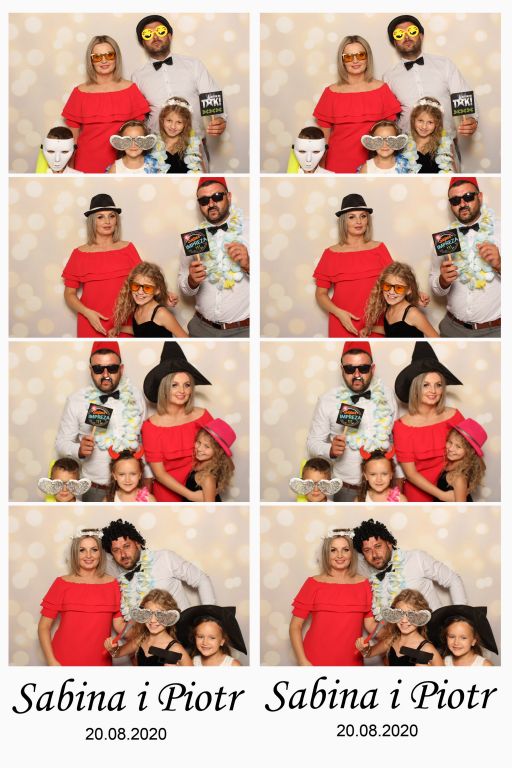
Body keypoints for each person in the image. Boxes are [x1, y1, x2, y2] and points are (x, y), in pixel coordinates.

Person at [55, 341, 148, 502]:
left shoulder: (136, 396)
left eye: (112, 368)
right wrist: (79, 449)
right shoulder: (76, 400)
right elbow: (61, 443)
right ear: (90, 370)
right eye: (98, 369)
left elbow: (144, 440)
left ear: (121, 369)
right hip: (96, 489)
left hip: (133, 488)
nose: (105, 374)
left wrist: (148, 480)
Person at [307, 341, 397, 501]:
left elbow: (395, 439)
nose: (356, 374)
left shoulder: (387, 395)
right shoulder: (327, 400)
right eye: (349, 369)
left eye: (363, 368)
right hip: (347, 489)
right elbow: (312, 442)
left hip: (384, 487)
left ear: (372, 369)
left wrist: (399, 479)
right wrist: (330, 450)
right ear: (342, 369)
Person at [131, 15, 226, 153]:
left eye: (160, 31)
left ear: (169, 36)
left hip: (195, 145)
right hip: (158, 150)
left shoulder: (193, 65)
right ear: (143, 42)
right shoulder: (137, 76)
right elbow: (139, 114)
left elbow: (209, 93)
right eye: (148, 34)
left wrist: (219, 118)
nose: (155, 37)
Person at [382, 15, 478, 145]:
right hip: (408, 147)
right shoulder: (388, 77)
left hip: (446, 143)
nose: (406, 37)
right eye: (399, 35)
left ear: (421, 36)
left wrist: (472, 119)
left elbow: (461, 93)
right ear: (394, 42)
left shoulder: (445, 64)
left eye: (412, 31)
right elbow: (390, 115)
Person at [62, 35, 149, 173]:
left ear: (116, 57)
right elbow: (72, 141)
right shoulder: (79, 93)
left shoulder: (131, 89)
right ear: (91, 61)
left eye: (109, 55)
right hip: (86, 163)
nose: (104, 60)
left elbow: (140, 136)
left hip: (125, 163)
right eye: (97, 57)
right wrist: (70, 171)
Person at [313, 35, 400, 173]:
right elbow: (323, 141)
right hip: (337, 163)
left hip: (376, 164)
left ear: (367, 57)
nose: (355, 61)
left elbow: (392, 135)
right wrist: (321, 171)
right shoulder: (330, 93)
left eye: (360, 55)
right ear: (342, 61)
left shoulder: (382, 90)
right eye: (348, 57)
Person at [353, 518, 467, 620]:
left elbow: (453, 579)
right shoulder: (369, 578)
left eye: (378, 546)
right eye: (367, 550)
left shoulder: (416, 558)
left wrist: (460, 619)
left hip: (433, 631)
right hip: (398, 636)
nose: (374, 554)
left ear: (389, 544)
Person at [38, 529, 123, 666]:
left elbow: (119, 626)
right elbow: (44, 626)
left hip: (100, 661)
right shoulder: (61, 583)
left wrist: (143, 626)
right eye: (82, 550)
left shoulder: (113, 584)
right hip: (62, 660)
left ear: (100, 554)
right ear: (74, 554)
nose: (88, 555)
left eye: (94, 550)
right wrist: (51, 661)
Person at [289, 531, 375, 666]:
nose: (340, 555)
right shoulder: (313, 584)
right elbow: (295, 626)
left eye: (345, 550)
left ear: (352, 553)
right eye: (333, 550)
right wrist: (302, 660)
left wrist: (393, 628)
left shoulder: (365, 585)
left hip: (351, 661)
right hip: (314, 660)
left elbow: (370, 625)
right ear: (326, 554)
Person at [393, 341, 465, 501]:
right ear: (415, 388)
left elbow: (468, 455)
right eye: (426, 385)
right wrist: (442, 496)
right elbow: (410, 474)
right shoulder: (402, 426)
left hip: (452, 487)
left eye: (438, 385)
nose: (433, 391)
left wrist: (456, 484)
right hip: (419, 493)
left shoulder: (455, 416)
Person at [141, 341, 213, 502]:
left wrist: (207, 487)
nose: (182, 391)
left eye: (187, 385)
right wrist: (190, 495)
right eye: (174, 385)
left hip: (201, 489)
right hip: (168, 495)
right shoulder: (151, 427)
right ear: (164, 388)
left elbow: (218, 456)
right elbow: (159, 473)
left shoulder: (203, 416)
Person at [62, 194, 142, 337]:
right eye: (100, 217)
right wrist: (88, 313)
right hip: (91, 322)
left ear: (116, 220)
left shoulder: (128, 248)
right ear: (92, 221)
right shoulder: (79, 254)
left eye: (111, 216)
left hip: (125, 323)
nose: (107, 221)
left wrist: (164, 295)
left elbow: (145, 281)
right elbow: (69, 294)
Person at [429, 177, 501, 338]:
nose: (462, 204)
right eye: (455, 200)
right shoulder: (444, 238)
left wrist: (500, 265)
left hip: (496, 331)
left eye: (468, 197)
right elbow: (435, 285)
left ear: (480, 196)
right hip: (451, 328)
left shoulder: (503, 230)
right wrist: (443, 281)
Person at [178, 177, 250, 337]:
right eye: (204, 200)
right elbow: (184, 287)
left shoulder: (251, 229)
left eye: (217, 197)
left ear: (229, 196)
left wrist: (249, 265)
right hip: (200, 328)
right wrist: (191, 281)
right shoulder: (193, 237)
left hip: (243, 331)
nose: (211, 204)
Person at [102, 519, 216, 618]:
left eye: (126, 546)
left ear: (137, 543)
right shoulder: (118, 580)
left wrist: (209, 618)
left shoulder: (164, 558)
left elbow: (201, 579)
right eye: (116, 550)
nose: (123, 554)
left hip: (181, 631)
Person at [313, 194, 393, 337]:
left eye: (363, 216)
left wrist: (415, 294)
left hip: (376, 323)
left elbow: (397, 281)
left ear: (368, 220)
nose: (359, 221)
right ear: (344, 221)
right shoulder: (331, 254)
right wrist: (339, 314)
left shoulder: (379, 248)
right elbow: (320, 294)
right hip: (342, 322)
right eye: (352, 217)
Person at [150, 418, 236, 503]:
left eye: (207, 446)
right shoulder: (202, 462)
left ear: (218, 451)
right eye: (199, 442)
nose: (199, 449)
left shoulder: (207, 478)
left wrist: (210, 492)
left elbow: (210, 508)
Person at [105, 588, 192, 666]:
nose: (152, 620)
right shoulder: (140, 640)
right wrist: (113, 649)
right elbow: (118, 653)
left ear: (170, 617)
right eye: (148, 614)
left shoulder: (176, 649)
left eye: (160, 614)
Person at [356, 589, 443, 666]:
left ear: (421, 617)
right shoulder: (392, 640)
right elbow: (369, 653)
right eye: (399, 614)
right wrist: (365, 649)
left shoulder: (427, 649)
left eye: (411, 615)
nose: (404, 620)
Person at [111, 262, 187, 338]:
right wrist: (118, 329)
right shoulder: (137, 308)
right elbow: (141, 331)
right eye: (136, 286)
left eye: (147, 288)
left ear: (157, 290)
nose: (140, 292)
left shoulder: (162, 314)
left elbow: (186, 339)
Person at [363, 262, 439, 338]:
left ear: (408, 290)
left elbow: (438, 340)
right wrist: (369, 328)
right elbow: (392, 331)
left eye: (399, 288)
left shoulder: (413, 315)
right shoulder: (389, 307)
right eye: (387, 286)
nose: (391, 292)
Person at [177, 605, 247, 667]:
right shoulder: (193, 662)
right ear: (194, 637)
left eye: (212, 638)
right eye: (200, 637)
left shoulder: (233, 666)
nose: (205, 642)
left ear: (222, 640)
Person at [435, 418, 487, 502]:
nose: (451, 448)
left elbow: (461, 508)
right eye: (450, 442)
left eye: (458, 446)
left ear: (469, 452)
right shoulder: (451, 463)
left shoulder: (459, 478)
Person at [428, 605, 497, 666]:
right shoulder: (444, 663)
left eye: (463, 638)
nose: (456, 642)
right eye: (452, 637)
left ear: (473, 641)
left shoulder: (485, 666)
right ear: (446, 637)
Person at [403, 97, 454, 174]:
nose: (424, 127)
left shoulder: (445, 144)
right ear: (413, 120)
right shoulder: (405, 143)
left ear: (437, 123)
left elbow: (452, 172)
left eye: (430, 122)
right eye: (420, 121)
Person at [153, 98, 204, 173]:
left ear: (185, 124)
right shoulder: (154, 143)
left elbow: (202, 173)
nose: (173, 126)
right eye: (169, 120)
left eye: (179, 122)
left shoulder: (193, 144)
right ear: (162, 120)